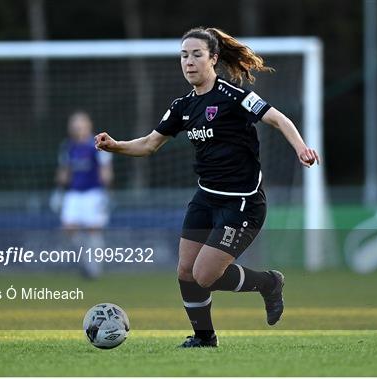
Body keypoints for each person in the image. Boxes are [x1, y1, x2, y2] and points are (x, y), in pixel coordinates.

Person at [95, 27, 320, 347]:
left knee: (205, 276)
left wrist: (301, 148)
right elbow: (148, 145)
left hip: (242, 202)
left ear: (213, 58)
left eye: (197, 54)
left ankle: (269, 283)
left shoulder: (234, 96)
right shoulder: (182, 106)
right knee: (185, 271)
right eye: (184, 56)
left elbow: (278, 119)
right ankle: (204, 337)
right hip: (205, 198)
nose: (189, 62)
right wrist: (114, 146)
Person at [55, 111, 113, 278]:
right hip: (74, 194)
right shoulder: (68, 147)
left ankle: (94, 268)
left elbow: (106, 171)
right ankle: (86, 261)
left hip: (93, 193)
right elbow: (65, 171)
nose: (77, 128)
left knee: (93, 230)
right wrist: (58, 191)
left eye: (80, 125)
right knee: (69, 227)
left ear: (88, 126)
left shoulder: (96, 145)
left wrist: (106, 193)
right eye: (74, 125)